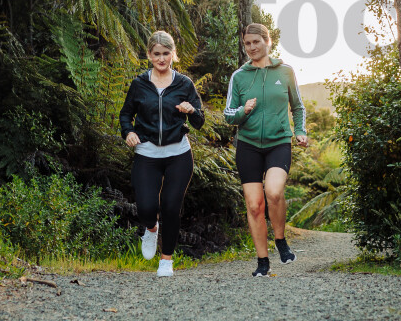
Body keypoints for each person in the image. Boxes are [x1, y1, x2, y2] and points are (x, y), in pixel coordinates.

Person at [224, 23, 308, 277]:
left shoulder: (285, 71)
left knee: (273, 191)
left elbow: (298, 107)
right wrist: (243, 111)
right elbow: (228, 116)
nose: (251, 47)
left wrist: (300, 130)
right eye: (247, 44)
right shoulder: (239, 76)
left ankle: (280, 240)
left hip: (279, 141)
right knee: (254, 205)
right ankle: (263, 261)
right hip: (248, 145)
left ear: (267, 42)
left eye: (255, 42)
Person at [119, 30, 204, 277]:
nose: (161, 58)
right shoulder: (139, 84)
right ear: (149, 55)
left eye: (166, 53)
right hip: (147, 153)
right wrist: (128, 132)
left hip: (178, 153)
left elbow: (200, 121)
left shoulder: (184, 84)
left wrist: (192, 111)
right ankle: (151, 228)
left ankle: (166, 260)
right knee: (146, 207)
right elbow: (126, 114)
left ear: (173, 54)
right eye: (156, 54)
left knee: (170, 205)